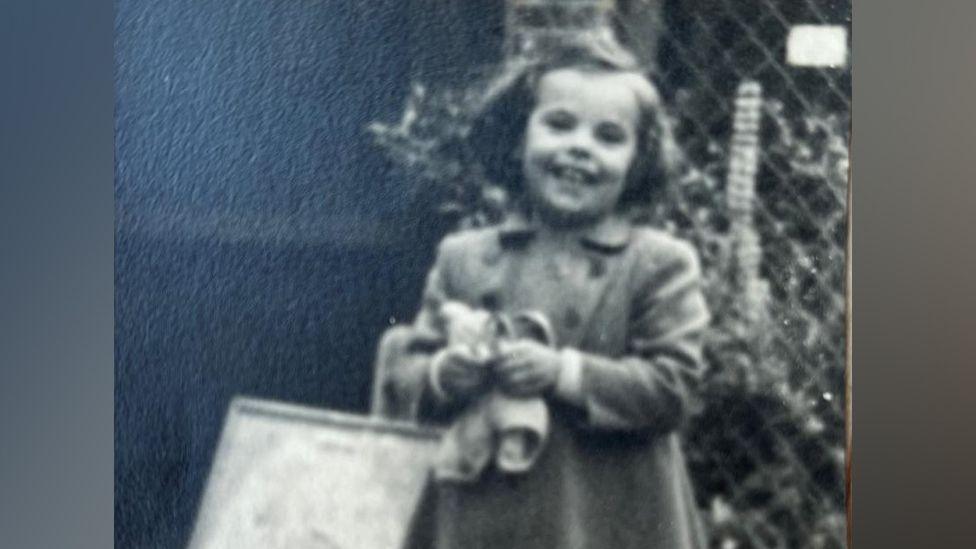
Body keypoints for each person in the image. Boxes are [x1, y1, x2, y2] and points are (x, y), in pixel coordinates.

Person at [373, 39, 711, 549]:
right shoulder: (464, 257)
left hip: (607, 519)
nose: (579, 146)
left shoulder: (656, 264)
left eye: (608, 137)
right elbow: (405, 377)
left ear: (637, 164)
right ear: (518, 138)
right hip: (480, 517)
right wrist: (447, 374)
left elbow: (673, 388)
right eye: (559, 125)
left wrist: (561, 372)